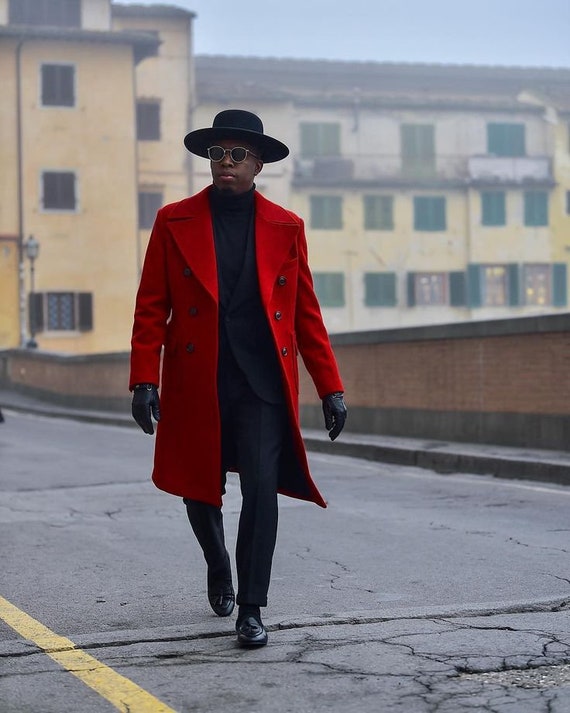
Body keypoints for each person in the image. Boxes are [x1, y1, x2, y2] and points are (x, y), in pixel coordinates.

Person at [130, 109, 347, 648]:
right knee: (197, 488)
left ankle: (251, 606)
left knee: (261, 493)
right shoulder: (172, 220)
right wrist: (143, 380)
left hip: (263, 382)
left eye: (236, 155)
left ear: (257, 164)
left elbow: (305, 314)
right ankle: (218, 563)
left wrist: (330, 386)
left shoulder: (286, 226)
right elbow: (151, 307)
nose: (224, 163)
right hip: (196, 376)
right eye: (216, 154)